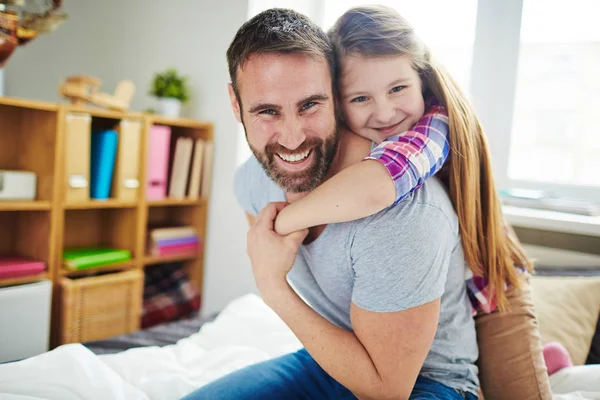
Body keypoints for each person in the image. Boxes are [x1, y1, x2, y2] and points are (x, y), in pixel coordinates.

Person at [182, 5, 551, 400]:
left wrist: (274, 288)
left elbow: (386, 389)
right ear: (236, 106)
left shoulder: (407, 203)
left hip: (424, 382)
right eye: (268, 111)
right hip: (332, 362)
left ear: (330, 98)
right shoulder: (253, 181)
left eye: (309, 105)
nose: (291, 137)